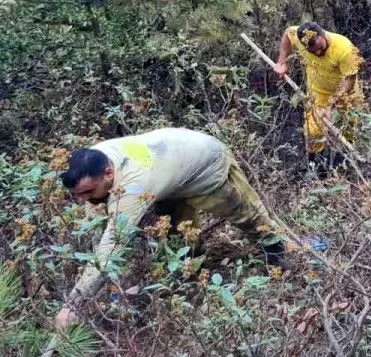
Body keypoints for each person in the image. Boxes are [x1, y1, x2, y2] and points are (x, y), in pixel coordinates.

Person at [54, 128, 288, 329]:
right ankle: (194, 272)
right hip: (171, 167)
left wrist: (73, 304)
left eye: (88, 193)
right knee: (177, 230)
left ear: (109, 174)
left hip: (205, 161)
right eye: (78, 195)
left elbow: (112, 244)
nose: (83, 199)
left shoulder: (133, 186)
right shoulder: (94, 159)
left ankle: (277, 253)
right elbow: (98, 230)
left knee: (242, 213)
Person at [273, 21, 363, 170]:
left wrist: (331, 105)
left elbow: (350, 80)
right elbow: (288, 33)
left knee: (347, 127)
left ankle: (345, 162)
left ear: (322, 35)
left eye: (319, 48)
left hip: (345, 93)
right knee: (313, 130)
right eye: (311, 51)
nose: (317, 53)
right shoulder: (300, 37)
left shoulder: (344, 48)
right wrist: (281, 62)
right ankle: (315, 165)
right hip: (318, 92)